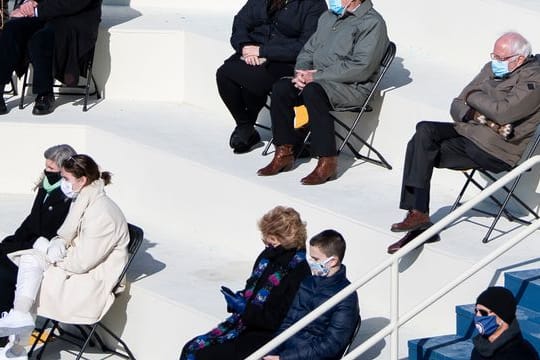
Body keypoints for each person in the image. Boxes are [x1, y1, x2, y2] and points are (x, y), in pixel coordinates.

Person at [387, 32, 540, 254]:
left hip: (494, 149)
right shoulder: (491, 67)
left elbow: (503, 112)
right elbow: (457, 104)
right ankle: (418, 214)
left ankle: (419, 219)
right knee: (423, 131)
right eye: (493, 55)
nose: (494, 61)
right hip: (469, 132)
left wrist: (474, 97)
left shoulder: (534, 79)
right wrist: (477, 111)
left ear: (519, 59)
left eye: (501, 57)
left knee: (420, 151)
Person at [0, 154, 129, 360]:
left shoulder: (102, 214)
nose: (63, 183)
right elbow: (67, 235)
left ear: (82, 180)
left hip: (91, 279)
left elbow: (80, 264)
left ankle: (17, 346)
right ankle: (19, 326)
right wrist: (57, 243)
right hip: (74, 264)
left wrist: (53, 253)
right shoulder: (85, 199)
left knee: (25, 274)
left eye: (66, 179)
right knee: (28, 258)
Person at [257, 0, 389, 185]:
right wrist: (301, 73)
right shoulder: (329, 17)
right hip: (318, 80)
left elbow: (362, 67)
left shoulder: (372, 23)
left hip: (353, 86)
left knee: (313, 91)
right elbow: (308, 50)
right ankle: (284, 151)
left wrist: (317, 76)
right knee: (282, 88)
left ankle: (327, 160)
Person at [180, 206, 311, 360]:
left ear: (286, 238)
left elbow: (279, 319)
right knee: (192, 348)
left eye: (272, 239)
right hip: (246, 322)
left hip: (265, 335)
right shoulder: (268, 256)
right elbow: (252, 288)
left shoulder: (299, 271)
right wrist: (237, 300)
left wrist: (245, 309)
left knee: (206, 355)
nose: (267, 242)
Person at [217, 0, 327, 154]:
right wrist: (244, 47)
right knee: (224, 74)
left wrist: (264, 51)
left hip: (284, 60)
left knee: (253, 81)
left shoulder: (313, 5)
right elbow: (241, 22)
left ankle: (247, 129)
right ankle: (245, 125)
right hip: (253, 52)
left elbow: (306, 45)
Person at [0, 144, 75, 348]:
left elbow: (52, 229)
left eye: (51, 169)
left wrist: (29, 241)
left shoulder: (69, 196)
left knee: (4, 273)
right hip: (28, 241)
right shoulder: (46, 186)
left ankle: (5, 332)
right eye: (46, 167)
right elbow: (32, 219)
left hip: (43, 251)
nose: (46, 172)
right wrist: (17, 239)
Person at [263, 229, 359, 360]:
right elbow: (288, 322)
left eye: (315, 259)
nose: (311, 262)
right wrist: (269, 351)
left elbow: (330, 346)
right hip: (288, 351)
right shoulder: (308, 282)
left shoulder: (346, 296)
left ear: (332, 261)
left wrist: (285, 358)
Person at [0, 0, 101, 115]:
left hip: (74, 18)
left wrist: (36, 10)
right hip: (47, 14)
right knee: (11, 29)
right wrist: (27, 4)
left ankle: (45, 94)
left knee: (41, 39)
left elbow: (75, 3)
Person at [471, 286, 539, 359]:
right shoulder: (479, 348)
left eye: (483, 312)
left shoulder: (522, 354)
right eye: (476, 311)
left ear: (503, 317)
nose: (477, 315)